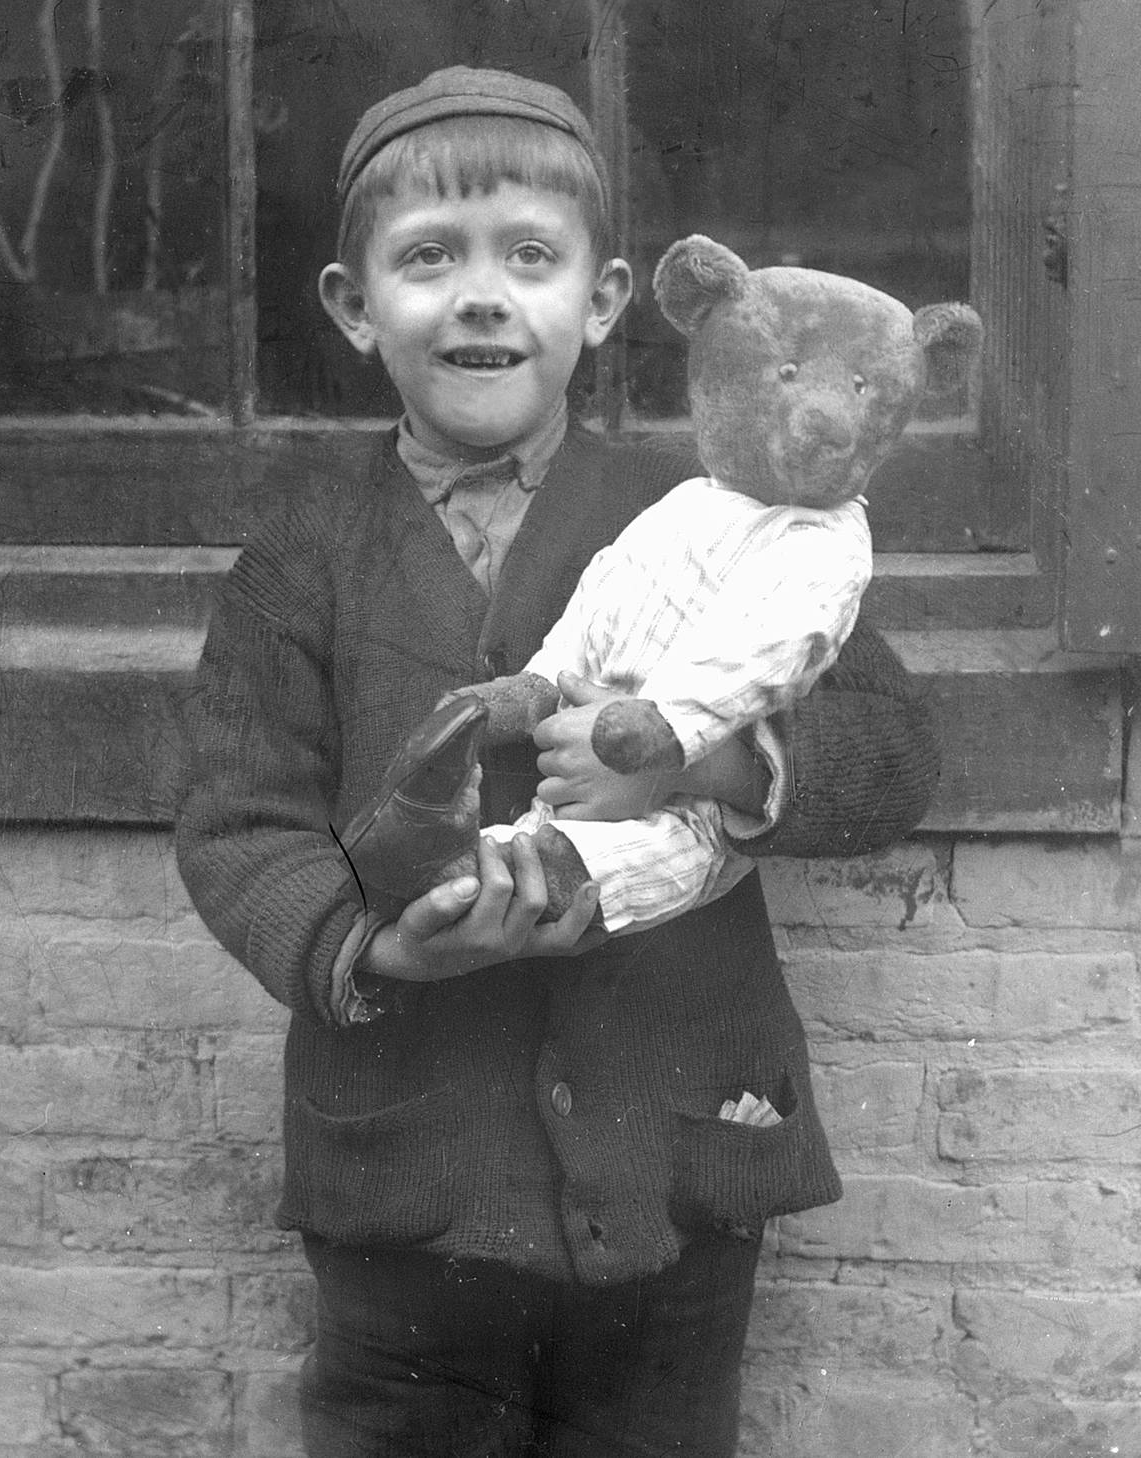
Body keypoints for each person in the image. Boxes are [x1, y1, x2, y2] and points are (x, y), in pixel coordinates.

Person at [176, 65, 938, 1458]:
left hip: (670, 1178)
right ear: (356, 309)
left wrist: (698, 767)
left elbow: (890, 752)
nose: (481, 294)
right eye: (428, 260)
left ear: (599, 301)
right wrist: (376, 950)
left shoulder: (726, 515)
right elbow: (239, 829)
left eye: (530, 256)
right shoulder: (301, 555)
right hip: (408, 1188)